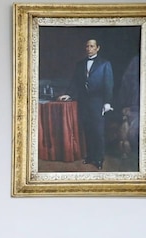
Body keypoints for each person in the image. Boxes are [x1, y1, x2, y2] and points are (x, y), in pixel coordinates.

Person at [59, 39, 113, 170]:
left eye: (92, 46)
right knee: (87, 130)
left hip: (98, 102)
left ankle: (99, 159)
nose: (89, 48)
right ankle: (90, 156)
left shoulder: (105, 64)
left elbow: (109, 84)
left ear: (97, 48)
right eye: (87, 46)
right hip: (83, 102)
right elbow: (75, 82)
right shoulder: (80, 64)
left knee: (98, 132)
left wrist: (107, 102)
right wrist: (68, 94)